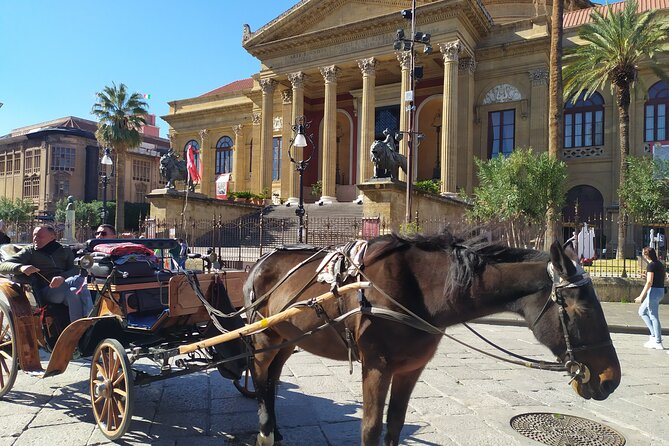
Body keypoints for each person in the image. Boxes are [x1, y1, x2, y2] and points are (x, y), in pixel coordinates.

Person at [0, 225, 93, 322]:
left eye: (39, 236)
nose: (35, 239)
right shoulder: (30, 251)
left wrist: (62, 277)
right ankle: (91, 316)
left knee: (73, 291)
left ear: (52, 237)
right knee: (79, 280)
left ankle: (78, 328)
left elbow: (74, 269)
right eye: (34, 235)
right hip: (45, 290)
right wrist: (21, 267)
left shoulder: (64, 250)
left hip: (65, 287)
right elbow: (3, 266)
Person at [635, 246, 666, 351]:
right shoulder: (659, 264)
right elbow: (661, 277)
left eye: (644, 253)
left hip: (653, 291)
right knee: (642, 311)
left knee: (653, 316)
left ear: (646, 255)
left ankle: (658, 341)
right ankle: (654, 336)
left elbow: (649, 282)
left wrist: (641, 296)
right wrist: (646, 277)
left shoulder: (651, 265)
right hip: (660, 290)